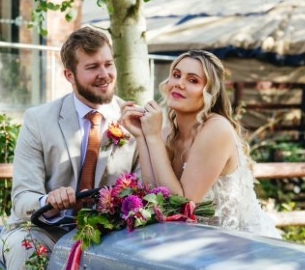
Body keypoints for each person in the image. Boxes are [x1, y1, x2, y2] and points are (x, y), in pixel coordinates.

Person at [0, 25, 139, 270]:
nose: (104, 74)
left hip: (111, 236)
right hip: (44, 231)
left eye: (108, 64)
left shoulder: (135, 121)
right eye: (92, 67)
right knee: (25, 247)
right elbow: (22, 197)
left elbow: (146, 190)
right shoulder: (38, 120)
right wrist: (47, 202)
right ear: (69, 75)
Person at [120, 49, 280, 237]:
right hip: (196, 243)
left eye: (193, 80)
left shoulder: (217, 129)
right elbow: (153, 194)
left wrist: (153, 137)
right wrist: (142, 137)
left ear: (209, 92)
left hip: (240, 244)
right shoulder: (167, 132)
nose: (179, 84)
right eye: (176, 75)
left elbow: (181, 206)